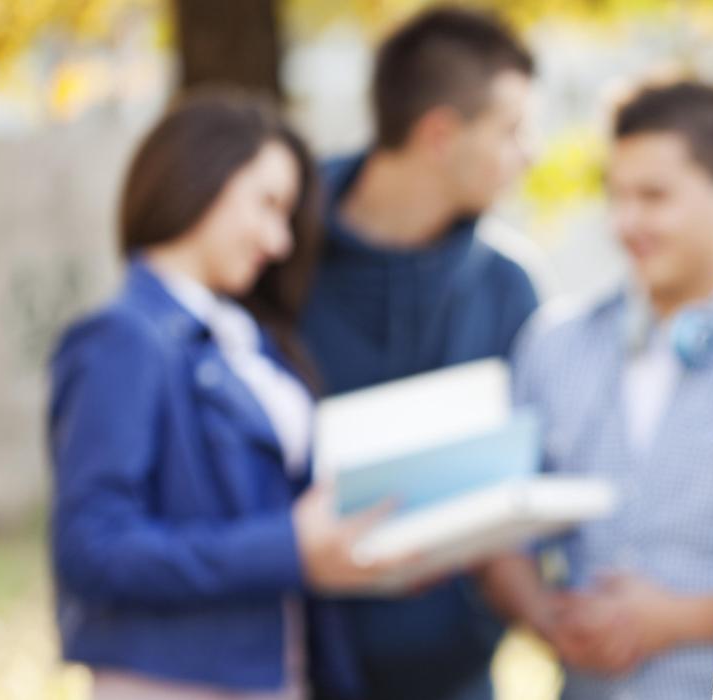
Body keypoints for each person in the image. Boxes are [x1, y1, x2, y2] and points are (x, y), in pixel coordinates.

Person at [48, 91, 403, 700]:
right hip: (174, 681)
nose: (279, 242)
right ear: (199, 177)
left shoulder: (249, 339)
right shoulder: (123, 340)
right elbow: (94, 547)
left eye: (287, 215)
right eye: (267, 205)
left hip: (276, 669)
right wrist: (287, 546)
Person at [480, 81, 713, 700]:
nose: (626, 223)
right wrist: (546, 617)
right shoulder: (554, 344)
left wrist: (676, 619)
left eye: (653, 196)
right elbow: (499, 533)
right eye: (615, 196)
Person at [298, 7, 542, 699]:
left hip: (457, 676)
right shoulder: (275, 262)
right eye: (512, 131)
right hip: (296, 667)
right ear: (440, 133)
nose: (530, 154)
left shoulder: (509, 287)